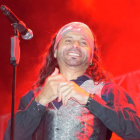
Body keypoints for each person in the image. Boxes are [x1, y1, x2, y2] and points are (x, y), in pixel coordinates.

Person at [4, 22, 140, 140]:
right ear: (55, 51)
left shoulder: (107, 91)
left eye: (83, 42)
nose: (75, 45)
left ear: (92, 57)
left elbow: (136, 131)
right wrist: (41, 100)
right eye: (68, 40)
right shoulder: (33, 97)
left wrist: (89, 99)